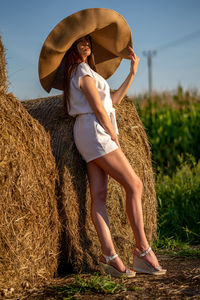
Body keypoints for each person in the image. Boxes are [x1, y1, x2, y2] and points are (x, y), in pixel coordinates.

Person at [38, 8, 166, 278]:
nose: (86, 44)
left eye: (88, 41)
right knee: (135, 184)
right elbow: (98, 108)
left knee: (98, 197)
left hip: (87, 132)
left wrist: (132, 72)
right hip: (96, 131)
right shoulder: (81, 70)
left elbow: (112, 103)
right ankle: (142, 250)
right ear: (72, 48)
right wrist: (114, 136)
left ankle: (110, 257)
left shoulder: (87, 73)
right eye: (80, 42)